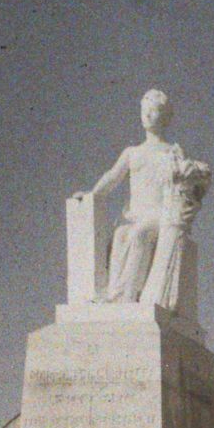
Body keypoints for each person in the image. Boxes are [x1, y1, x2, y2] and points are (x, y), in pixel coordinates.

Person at [84, 89, 183, 304]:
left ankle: (127, 296)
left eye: (153, 110)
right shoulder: (132, 152)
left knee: (139, 233)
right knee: (120, 234)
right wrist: (92, 194)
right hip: (137, 215)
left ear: (165, 117)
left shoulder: (172, 152)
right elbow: (112, 176)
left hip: (160, 215)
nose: (147, 115)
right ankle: (114, 294)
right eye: (144, 110)